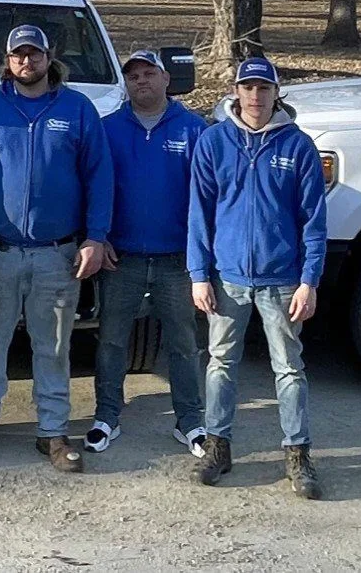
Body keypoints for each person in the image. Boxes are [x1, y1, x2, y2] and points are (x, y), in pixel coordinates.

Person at [0, 24, 115, 474]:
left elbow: (99, 177)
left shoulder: (77, 110)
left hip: (57, 254)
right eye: (18, 55)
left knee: (53, 346)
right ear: (8, 60)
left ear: (47, 56)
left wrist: (95, 237)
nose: (26, 62)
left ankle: (53, 432)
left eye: (34, 54)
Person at [187, 56, 327, 498]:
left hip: (282, 277)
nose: (254, 96)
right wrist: (198, 274)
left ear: (275, 93)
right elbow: (199, 213)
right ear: (234, 91)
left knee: (288, 368)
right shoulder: (213, 143)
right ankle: (218, 445)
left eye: (263, 88)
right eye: (246, 87)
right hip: (227, 278)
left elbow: (314, 221)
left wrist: (310, 279)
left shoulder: (298, 146)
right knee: (221, 364)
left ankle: (298, 454)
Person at [86, 49, 208, 458]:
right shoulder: (108, 130)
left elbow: (205, 198)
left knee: (183, 343)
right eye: (133, 75)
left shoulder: (193, 129)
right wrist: (98, 236)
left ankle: (190, 420)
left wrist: (200, 255)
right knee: (112, 341)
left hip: (177, 259)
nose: (141, 81)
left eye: (149, 73)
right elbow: (97, 187)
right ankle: (106, 416)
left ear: (166, 79)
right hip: (122, 258)